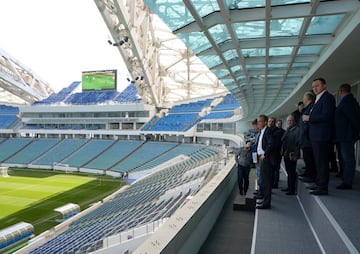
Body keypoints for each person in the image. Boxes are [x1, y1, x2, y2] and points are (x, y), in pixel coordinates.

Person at [303, 77, 335, 195]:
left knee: (322, 162)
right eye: (313, 87)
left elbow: (327, 116)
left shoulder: (328, 98)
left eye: (317, 86)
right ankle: (319, 184)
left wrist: (309, 118)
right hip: (316, 136)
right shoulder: (318, 99)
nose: (314, 88)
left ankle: (322, 187)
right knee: (318, 161)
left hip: (322, 136)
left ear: (324, 86)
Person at [334, 83, 360, 189]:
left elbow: (354, 119)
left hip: (346, 135)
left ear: (341, 91)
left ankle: (347, 181)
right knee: (347, 158)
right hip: (347, 135)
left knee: (348, 158)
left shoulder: (347, 102)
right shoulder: (351, 101)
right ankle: (346, 178)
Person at [255, 115, 275, 209]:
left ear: (265, 122)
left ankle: (266, 203)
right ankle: (264, 199)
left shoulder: (268, 131)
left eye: (260, 121)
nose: (258, 123)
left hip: (266, 159)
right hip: (262, 158)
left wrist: (265, 154)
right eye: (258, 121)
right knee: (263, 179)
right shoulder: (262, 131)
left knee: (266, 182)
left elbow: (271, 144)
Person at [299, 91, 317, 183]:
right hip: (306, 139)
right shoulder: (307, 108)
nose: (303, 99)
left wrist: (304, 135)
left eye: (304, 97)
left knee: (310, 159)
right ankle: (308, 173)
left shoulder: (311, 108)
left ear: (308, 99)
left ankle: (311, 176)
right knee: (307, 158)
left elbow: (307, 125)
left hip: (308, 139)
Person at [281, 114, 301, 195]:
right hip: (286, 153)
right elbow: (283, 139)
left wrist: (295, 154)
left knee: (291, 172)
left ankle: (292, 189)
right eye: (288, 121)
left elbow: (297, 143)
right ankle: (289, 187)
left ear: (294, 121)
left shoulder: (297, 130)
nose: (289, 122)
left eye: (291, 120)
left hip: (292, 154)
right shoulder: (288, 129)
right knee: (289, 171)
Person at [268, 117, 285, 189]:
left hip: (276, 154)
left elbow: (277, 144)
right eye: (269, 121)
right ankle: (272, 182)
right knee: (272, 169)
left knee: (275, 169)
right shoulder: (268, 130)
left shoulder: (278, 132)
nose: (270, 123)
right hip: (270, 154)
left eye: (272, 121)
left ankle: (275, 183)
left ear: (274, 123)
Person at [250, 118, 263, 198]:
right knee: (258, 174)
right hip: (256, 156)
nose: (253, 128)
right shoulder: (259, 133)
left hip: (259, 157)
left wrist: (251, 146)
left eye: (254, 126)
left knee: (260, 174)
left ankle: (261, 192)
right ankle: (260, 190)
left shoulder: (261, 133)